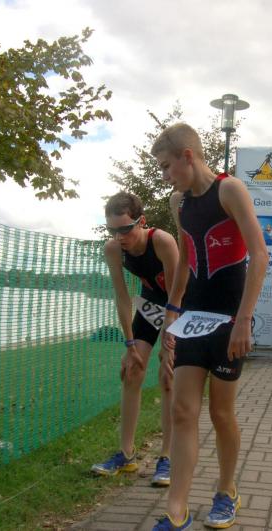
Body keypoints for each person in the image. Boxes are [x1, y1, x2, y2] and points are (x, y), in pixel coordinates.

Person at [150, 123, 267, 531]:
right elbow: (186, 259)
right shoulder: (178, 203)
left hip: (230, 319)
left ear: (187, 156)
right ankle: (176, 510)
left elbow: (259, 254)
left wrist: (244, 320)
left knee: (220, 413)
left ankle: (226, 489)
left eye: (166, 166)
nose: (165, 176)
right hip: (193, 318)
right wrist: (172, 313)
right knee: (183, 409)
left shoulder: (229, 189)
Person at [91, 192, 179, 488]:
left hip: (180, 305)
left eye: (125, 229)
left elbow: (177, 293)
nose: (120, 237)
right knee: (132, 371)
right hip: (151, 303)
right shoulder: (113, 249)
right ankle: (126, 455)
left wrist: (169, 341)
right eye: (113, 230)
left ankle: (167, 457)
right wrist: (130, 346)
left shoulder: (162, 241)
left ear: (141, 222)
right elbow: (122, 297)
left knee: (169, 375)